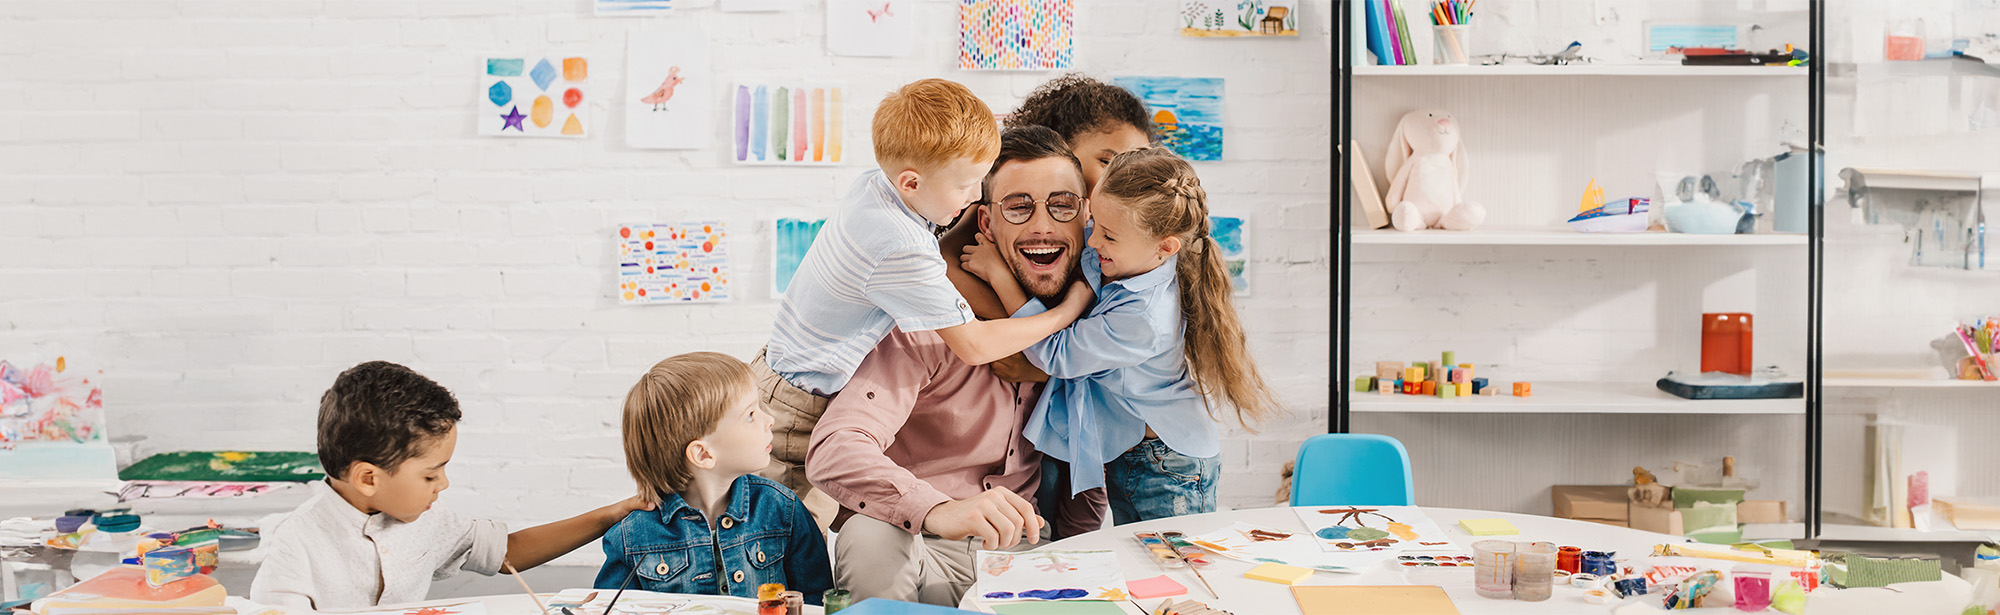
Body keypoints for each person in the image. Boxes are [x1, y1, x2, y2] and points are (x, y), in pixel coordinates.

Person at [758, 79, 1090, 525]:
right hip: (800, 407)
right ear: (911, 182)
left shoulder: (876, 187)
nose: (974, 199)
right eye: (968, 185)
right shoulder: (900, 245)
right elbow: (974, 345)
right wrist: (1063, 314)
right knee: (789, 543)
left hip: (780, 372)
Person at [806, 126, 1099, 605]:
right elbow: (836, 448)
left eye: (1062, 205)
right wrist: (939, 508)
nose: (1043, 226)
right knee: (868, 534)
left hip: (1029, 559)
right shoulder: (927, 325)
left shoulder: (1095, 333)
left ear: (1085, 218)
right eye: (1019, 207)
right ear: (985, 223)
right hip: (922, 546)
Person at [961, 148, 1282, 524]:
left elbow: (1056, 354)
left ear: (1165, 248)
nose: (1093, 242)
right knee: (1138, 562)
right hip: (1133, 450)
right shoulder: (1135, 253)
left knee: (1169, 567)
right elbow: (1088, 258)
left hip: (1165, 465)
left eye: (1107, 236)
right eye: (1093, 223)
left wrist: (1000, 276)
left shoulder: (1145, 318)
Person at [938, 73, 1158, 534]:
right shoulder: (982, 212)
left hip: (1105, 429)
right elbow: (948, 268)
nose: (1124, 174)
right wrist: (1034, 346)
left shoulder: (1119, 237)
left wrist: (1040, 362)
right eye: (1108, 160)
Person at [251, 361, 649, 611]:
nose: (443, 483)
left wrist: (610, 515)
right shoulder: (296, 542)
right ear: (368, 478)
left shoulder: (428, 519)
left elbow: (507, 552)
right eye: (430, 474)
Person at [594, 352, 832, 603]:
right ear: (703, 454)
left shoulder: (783, 509)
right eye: (750, 415)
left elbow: (816, 600)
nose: (769, 420)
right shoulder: (631, 535)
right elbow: (607, 608)